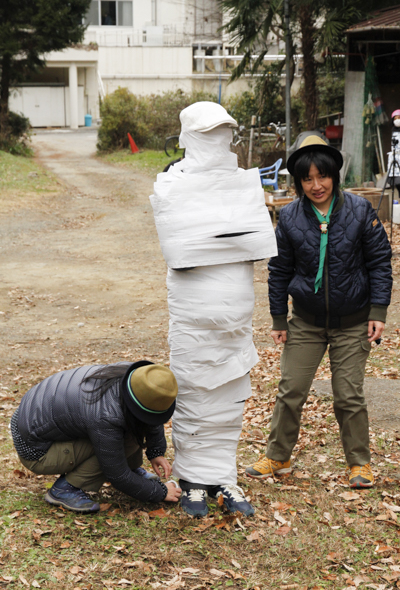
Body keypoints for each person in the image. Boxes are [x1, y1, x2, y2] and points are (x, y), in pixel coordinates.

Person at [150, 102, 277, 516]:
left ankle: (223, 475)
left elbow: (257, 242)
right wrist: (227, 237)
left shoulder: (243, 184)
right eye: (207, 134)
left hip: (236, 315)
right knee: (193, 395)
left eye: (223, 132)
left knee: (228, 399)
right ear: (187, 137)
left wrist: (222, 239)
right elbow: (181, 251)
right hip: (193, 315)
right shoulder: (172, 185)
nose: (218, 140)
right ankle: (190, 478)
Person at [245, 134, 392, 489]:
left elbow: (380, 262)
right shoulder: (291, 216)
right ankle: (278, 455)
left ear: (334, 176)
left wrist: (378, 310)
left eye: (322, 176)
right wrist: (279, 318)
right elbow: (279, 270)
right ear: (298, 182)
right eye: (307, 179)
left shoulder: (359, 211)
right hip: (307, 322)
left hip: (353, 321)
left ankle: (359, 464)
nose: (316, 185)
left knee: (348, 395)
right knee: (291, 389)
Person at [10, 361, 182, 512]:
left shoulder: (140, 377)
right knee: (116, 444)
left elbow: (149, 414)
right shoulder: (106, 415)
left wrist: (156, 451)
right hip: (35, 448)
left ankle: (132, 468)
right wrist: (161, 492)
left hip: (39, 420)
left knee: (125, 431)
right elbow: (117, 474)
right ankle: (65, 489)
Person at [387, 109, 400, 196]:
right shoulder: (393, 130)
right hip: (396, 157)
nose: (397, 120)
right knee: (397, 180)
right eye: (395, 118)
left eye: (399, 118)